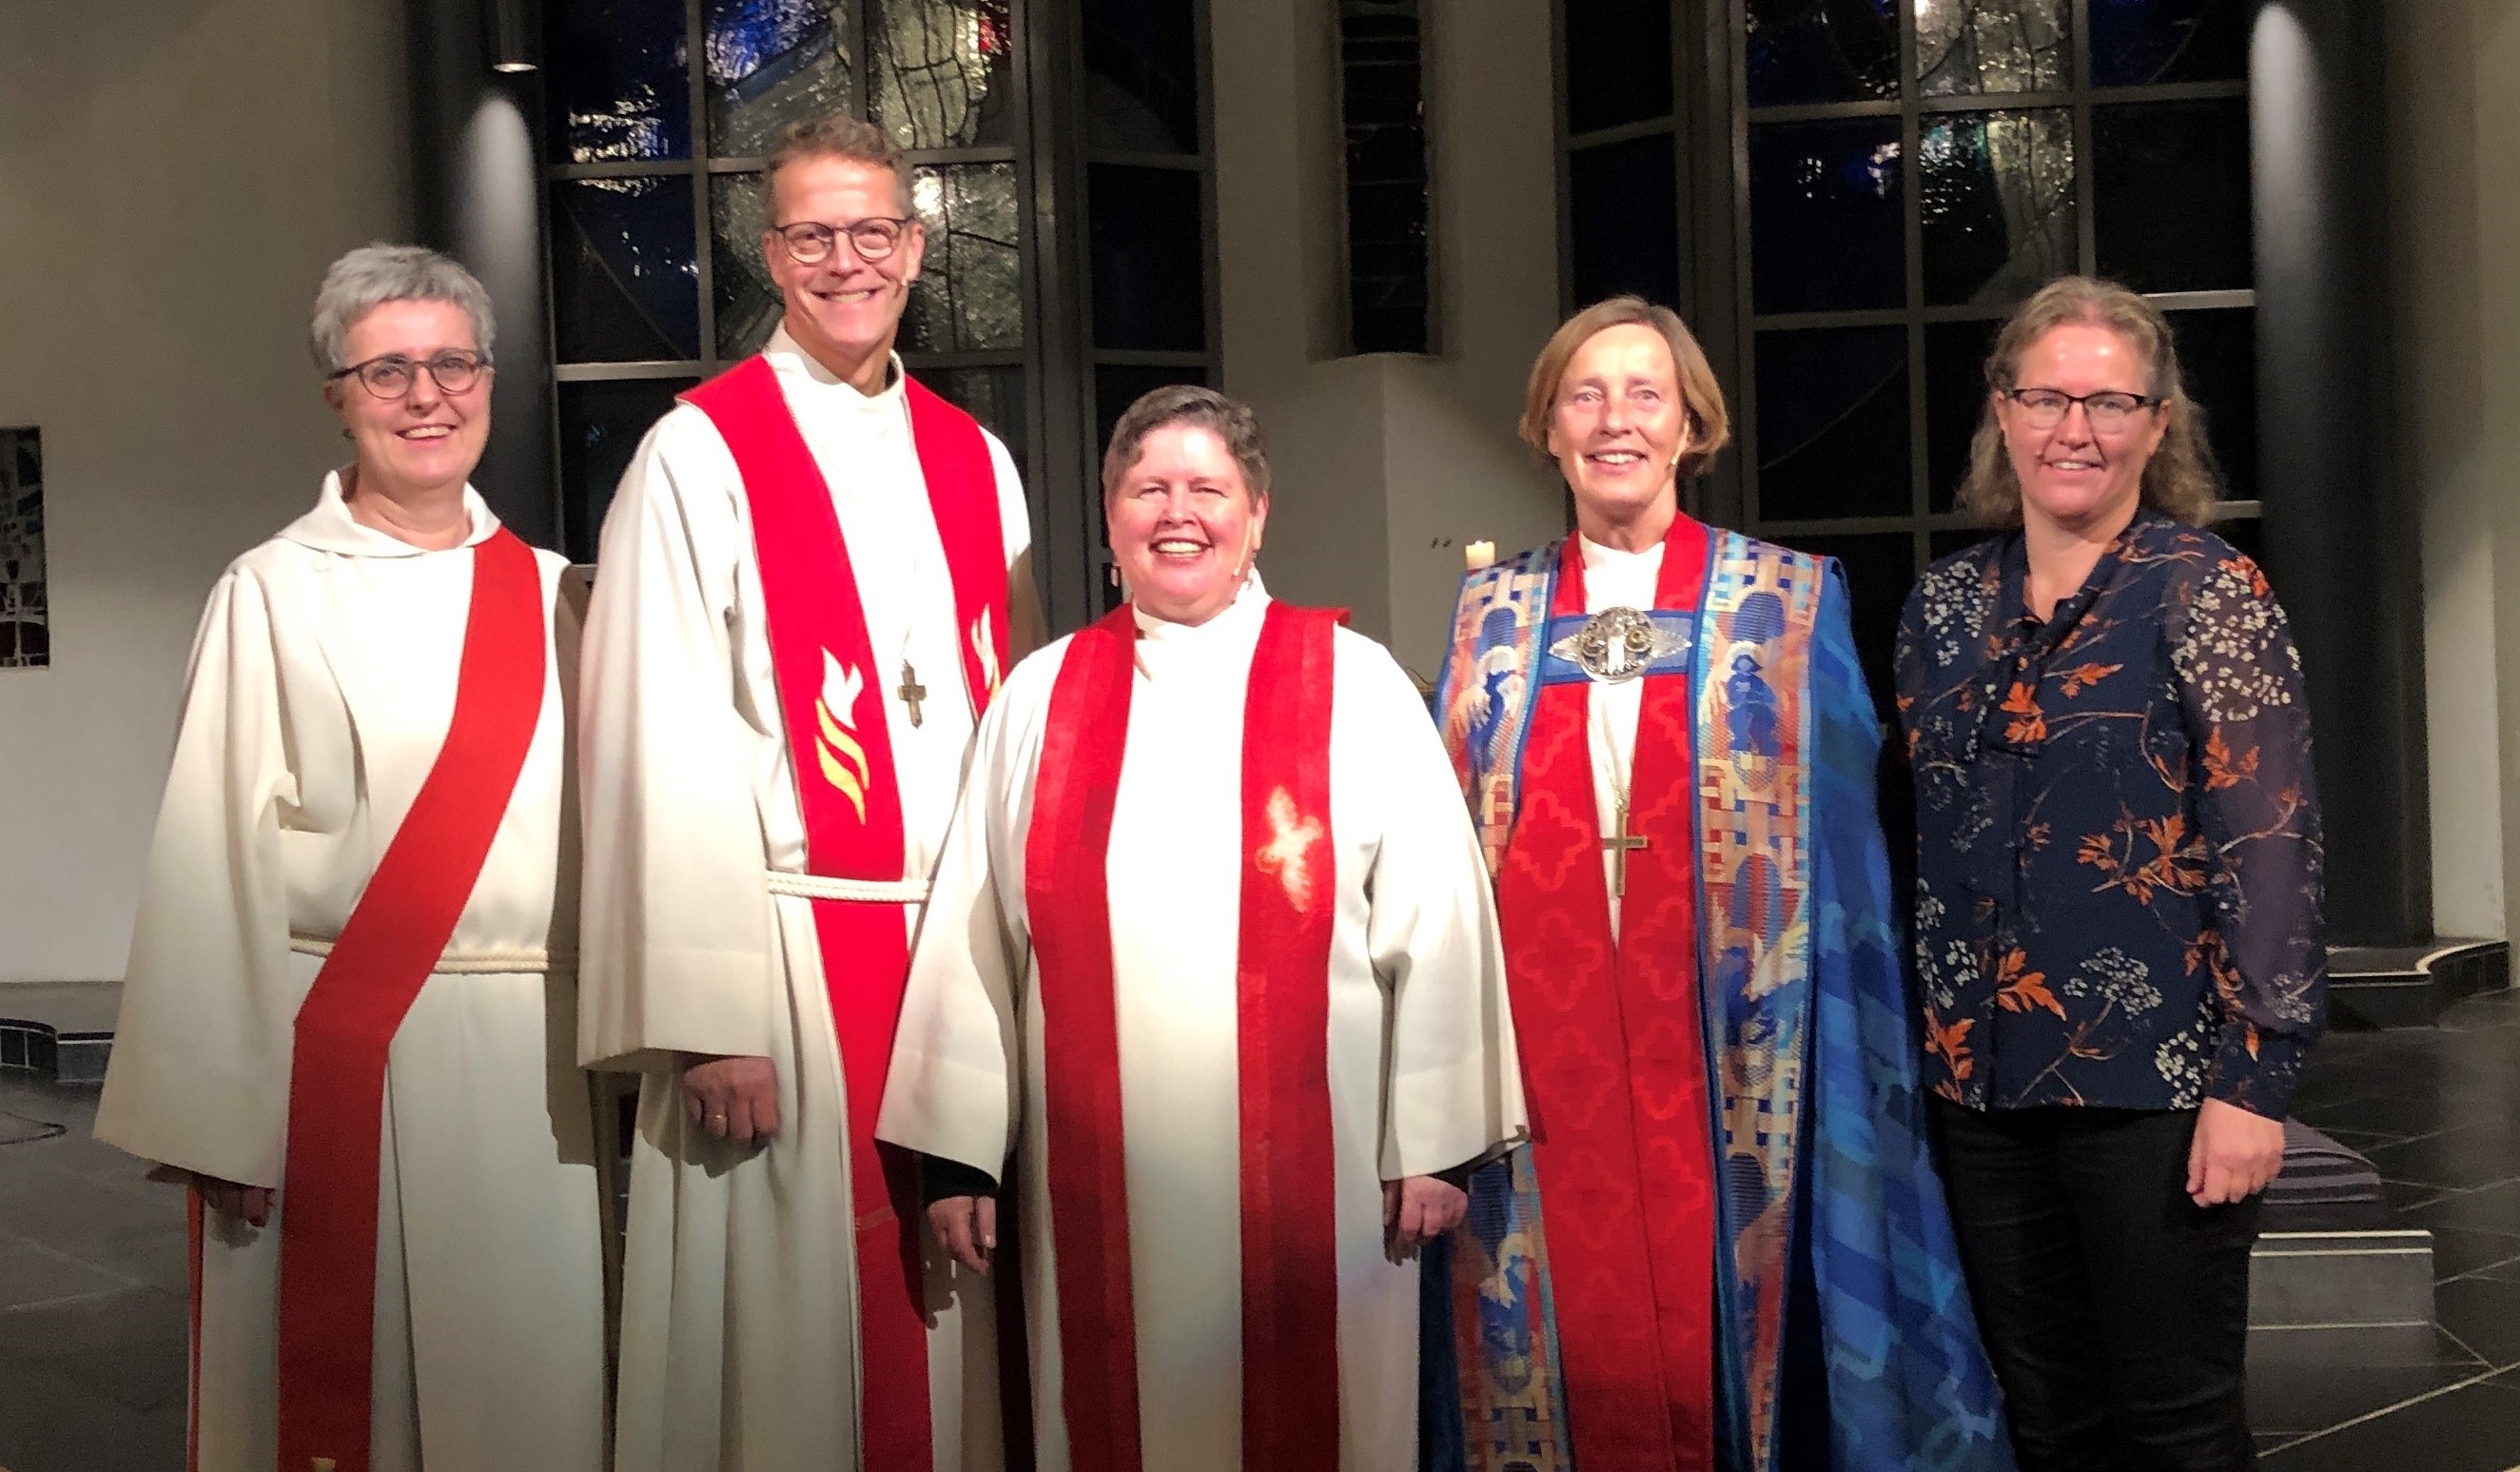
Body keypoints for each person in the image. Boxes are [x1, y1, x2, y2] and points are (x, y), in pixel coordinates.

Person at [877, 385, 1526, 1472]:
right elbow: (975, 936)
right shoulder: (1039, 698)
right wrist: (959, 1159)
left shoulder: (1351, 684)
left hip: (1317, 1185)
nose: (1177, 512)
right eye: (1147, 488)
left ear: (1257, 514)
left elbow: (1441, 921)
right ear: (1108, 517)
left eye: (1206, 488)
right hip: (1094, 1176)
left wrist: (1435, 1140)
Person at [1422, 296, 2013, 1472]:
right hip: (1545, 1069)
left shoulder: (1786, 603)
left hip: (1741, 1055)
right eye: (1583, 396)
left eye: (1645, 393)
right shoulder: (1491, 617)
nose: (1614, 421)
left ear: (1692, 423)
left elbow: (1843, 867)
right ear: (1546, 427)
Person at [576, 112, 1040, 1472]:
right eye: (812, 234)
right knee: (788, 1334)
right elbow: (652, 727)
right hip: (780, 947)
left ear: (915, 244)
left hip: (952, 939)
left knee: (960, 1323)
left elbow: (996, 710)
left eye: (873, 232)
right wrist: (704, 1012)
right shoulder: (699, 452)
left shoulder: (976, 456)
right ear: (769, 253)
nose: (847, 261)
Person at [95, 244, 606, 1472]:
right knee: (343, 1401)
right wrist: (217, 1113)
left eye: (451, 363)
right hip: (334, 1054)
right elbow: (209, 851)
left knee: (531, 1389)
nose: (427, 395)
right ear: (337, 392)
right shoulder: (270, 592)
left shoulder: (561, 597)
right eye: (389, 370)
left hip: (532, 1066)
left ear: (490, 378)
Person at [1895, 275, 2325, 1471]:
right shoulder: (1940, 609)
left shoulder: (2205, 593)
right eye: (2043, 397)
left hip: (2159, 1085)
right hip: (1979, 1089)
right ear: (2000, 410)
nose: (2070, 429)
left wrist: (2256, 1080)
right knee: (2046, 1418)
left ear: (2155, 421)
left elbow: (2272, 845)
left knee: (2175, 1423)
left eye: (2106, 401)